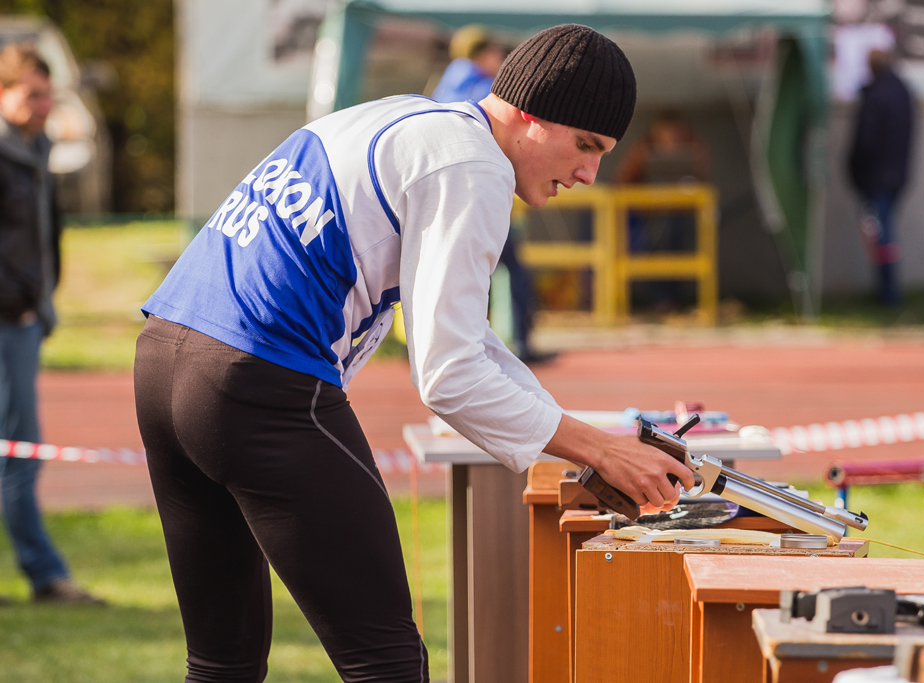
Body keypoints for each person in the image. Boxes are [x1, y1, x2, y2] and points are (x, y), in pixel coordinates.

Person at [135, 24, 694, 681]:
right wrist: (600, 450)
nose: (590, 173)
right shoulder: (474, 163)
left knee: (222, 662)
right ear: (528, 113)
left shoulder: (407, 117)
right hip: (253, 381)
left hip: (163, 357)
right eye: (585, 145)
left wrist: (577, 436)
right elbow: (449, 374)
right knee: (388, 663)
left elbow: (469, 336)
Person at [0, 43, 102, 605]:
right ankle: (45, 574)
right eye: (31, 94)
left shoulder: (35, 148)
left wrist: (42, 300)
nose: (43, 106)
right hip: (7, 319)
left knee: (14, 448)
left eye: (48, 95)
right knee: (18, 448)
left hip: (27, 319)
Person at [431, 26, 552, 363]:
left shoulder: (447, 82)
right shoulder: (485, 87)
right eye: (497, 54)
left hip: (453, 191)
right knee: (511, 270)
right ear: (481, 54)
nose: (500, 60)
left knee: (466, 272)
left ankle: (458, 348)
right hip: (479, 190)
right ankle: (519, 344)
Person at [614, 112, 711, 313]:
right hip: (647, 213)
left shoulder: (692, 149)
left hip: (677, 213)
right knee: (655, 241)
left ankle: (671, 299)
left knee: (674, 238)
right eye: (665, 135)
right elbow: (622, 182)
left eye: (676, 136)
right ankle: (659, 299)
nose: (670, 141)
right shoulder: (642, 150)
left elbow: (702, 182)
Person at [847, 48, 914, 307]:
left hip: (877, 178)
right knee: (883, 232)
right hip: (895, 175)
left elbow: (867, 141)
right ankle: (887, 290)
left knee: (881, 234)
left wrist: (856, 171)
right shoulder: (901, 92)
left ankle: (889, 293)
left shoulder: (877, 96)